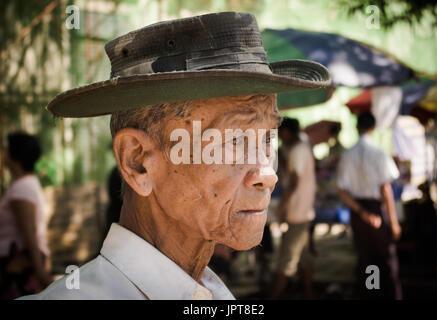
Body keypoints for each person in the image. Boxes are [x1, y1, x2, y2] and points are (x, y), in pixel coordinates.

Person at [19, 12, 329, 300]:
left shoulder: (215, 294)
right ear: (138, 161)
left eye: (267, 138)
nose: (269, 172)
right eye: (235, 138)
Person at [337, 111, 403, 300]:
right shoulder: (379, 153)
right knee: (386, 260)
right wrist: (394, 221)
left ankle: (370, 294)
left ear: (357, 128)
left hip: (358, 211)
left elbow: (342, 191)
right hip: (374, 209)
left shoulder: (348, 155)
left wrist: (361, 213)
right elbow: (386, 190)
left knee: (367, 259)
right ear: (373, 129)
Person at [0, 132, 51, 299]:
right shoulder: (28, 184)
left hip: (19, 267)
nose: (4, 153)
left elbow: (29, 232)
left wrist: (40, 271)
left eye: (7, 149)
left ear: (15, 155)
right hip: (22, 265)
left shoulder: (22, 189)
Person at [269, 118, 316, 299]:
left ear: (287, 132)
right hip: (303, 210)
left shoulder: (298, 149)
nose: (280, 137)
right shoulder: (303, 147)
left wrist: (283, 205)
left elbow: (294, 181)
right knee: (304, 258)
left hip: (298, 211)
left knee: (287, 259)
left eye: (281, 133)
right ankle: (308, 293)